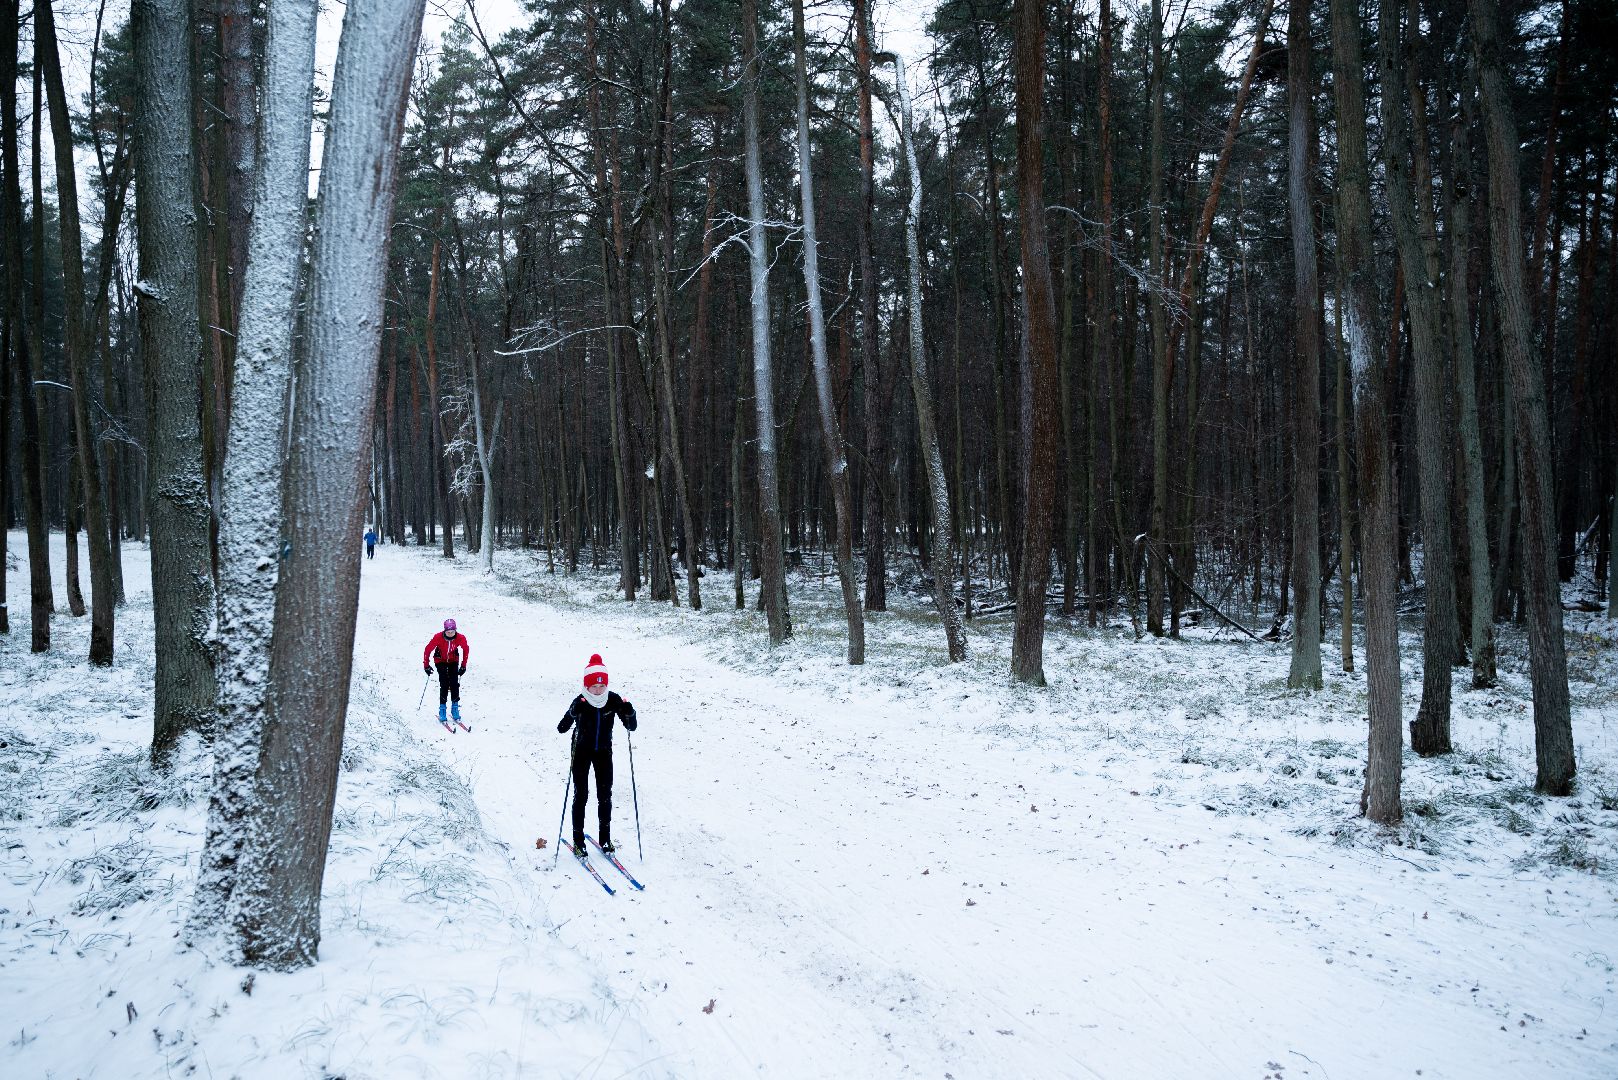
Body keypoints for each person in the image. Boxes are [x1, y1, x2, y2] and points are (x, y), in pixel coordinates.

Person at [558, 653, 636, 855]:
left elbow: (631, 726)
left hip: (603, 752)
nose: (598, 690)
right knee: (581, 795)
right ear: (587, 685)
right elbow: (562, 727)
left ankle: (605, 839)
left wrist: (630, 712)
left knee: (605, 796)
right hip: (581, 751)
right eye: (594, 686)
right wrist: (573, 712)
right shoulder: (581, 701)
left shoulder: (613, 700)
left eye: (602, 686)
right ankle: (578, 841)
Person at [422, 618, 470, 727]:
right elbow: (428, 649)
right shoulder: (438, 637)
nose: (450, 634)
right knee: (444, 683)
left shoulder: (460, 638)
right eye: (448, 632)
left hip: (453, 660)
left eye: (452, 632)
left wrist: (463, 665)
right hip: (440, 660)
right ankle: (442, 709)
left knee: (454, 684)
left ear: (455, 630)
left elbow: (466, 649)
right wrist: (426, 665)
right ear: (444, 630)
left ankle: (455, 708)